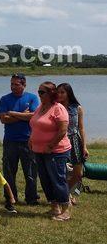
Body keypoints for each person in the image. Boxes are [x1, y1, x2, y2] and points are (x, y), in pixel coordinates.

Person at [29, 81, 72, 221]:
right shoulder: (41, 107)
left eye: (42, 92)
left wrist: (51, 145)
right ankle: (55, 207)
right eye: (38, 91)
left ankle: (66, 209)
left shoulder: (58, 108)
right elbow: (35, 123)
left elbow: (62, 130)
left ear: (50, 94)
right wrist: (31, 139)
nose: (39, 94)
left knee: (58, 179)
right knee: (45, 179)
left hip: (56, 151)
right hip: (39, 150)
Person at [0, 73, 40, 212]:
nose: (13, 87)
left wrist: (13, 113)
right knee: (9, 172)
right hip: (10, 141)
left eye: (16, 84)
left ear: (24, 85)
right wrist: (23, 115)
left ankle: (32, 198)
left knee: (31, 172)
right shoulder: (4, 99)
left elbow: (33, 116)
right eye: (11, 84)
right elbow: (3, 119)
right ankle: (11, 198)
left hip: (28, 140)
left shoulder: (32, 98)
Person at [57, 83, 89, 204]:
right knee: (63, 172)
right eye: (58, 92)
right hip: (60, 141)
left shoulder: (77, 108)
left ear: (68, 93)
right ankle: (66, 197)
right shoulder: (55, 107)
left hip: (75, 140)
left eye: (62, 92)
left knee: (79, 173)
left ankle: (72, 193)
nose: (59, 95)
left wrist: (84, 146)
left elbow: (81, 128)